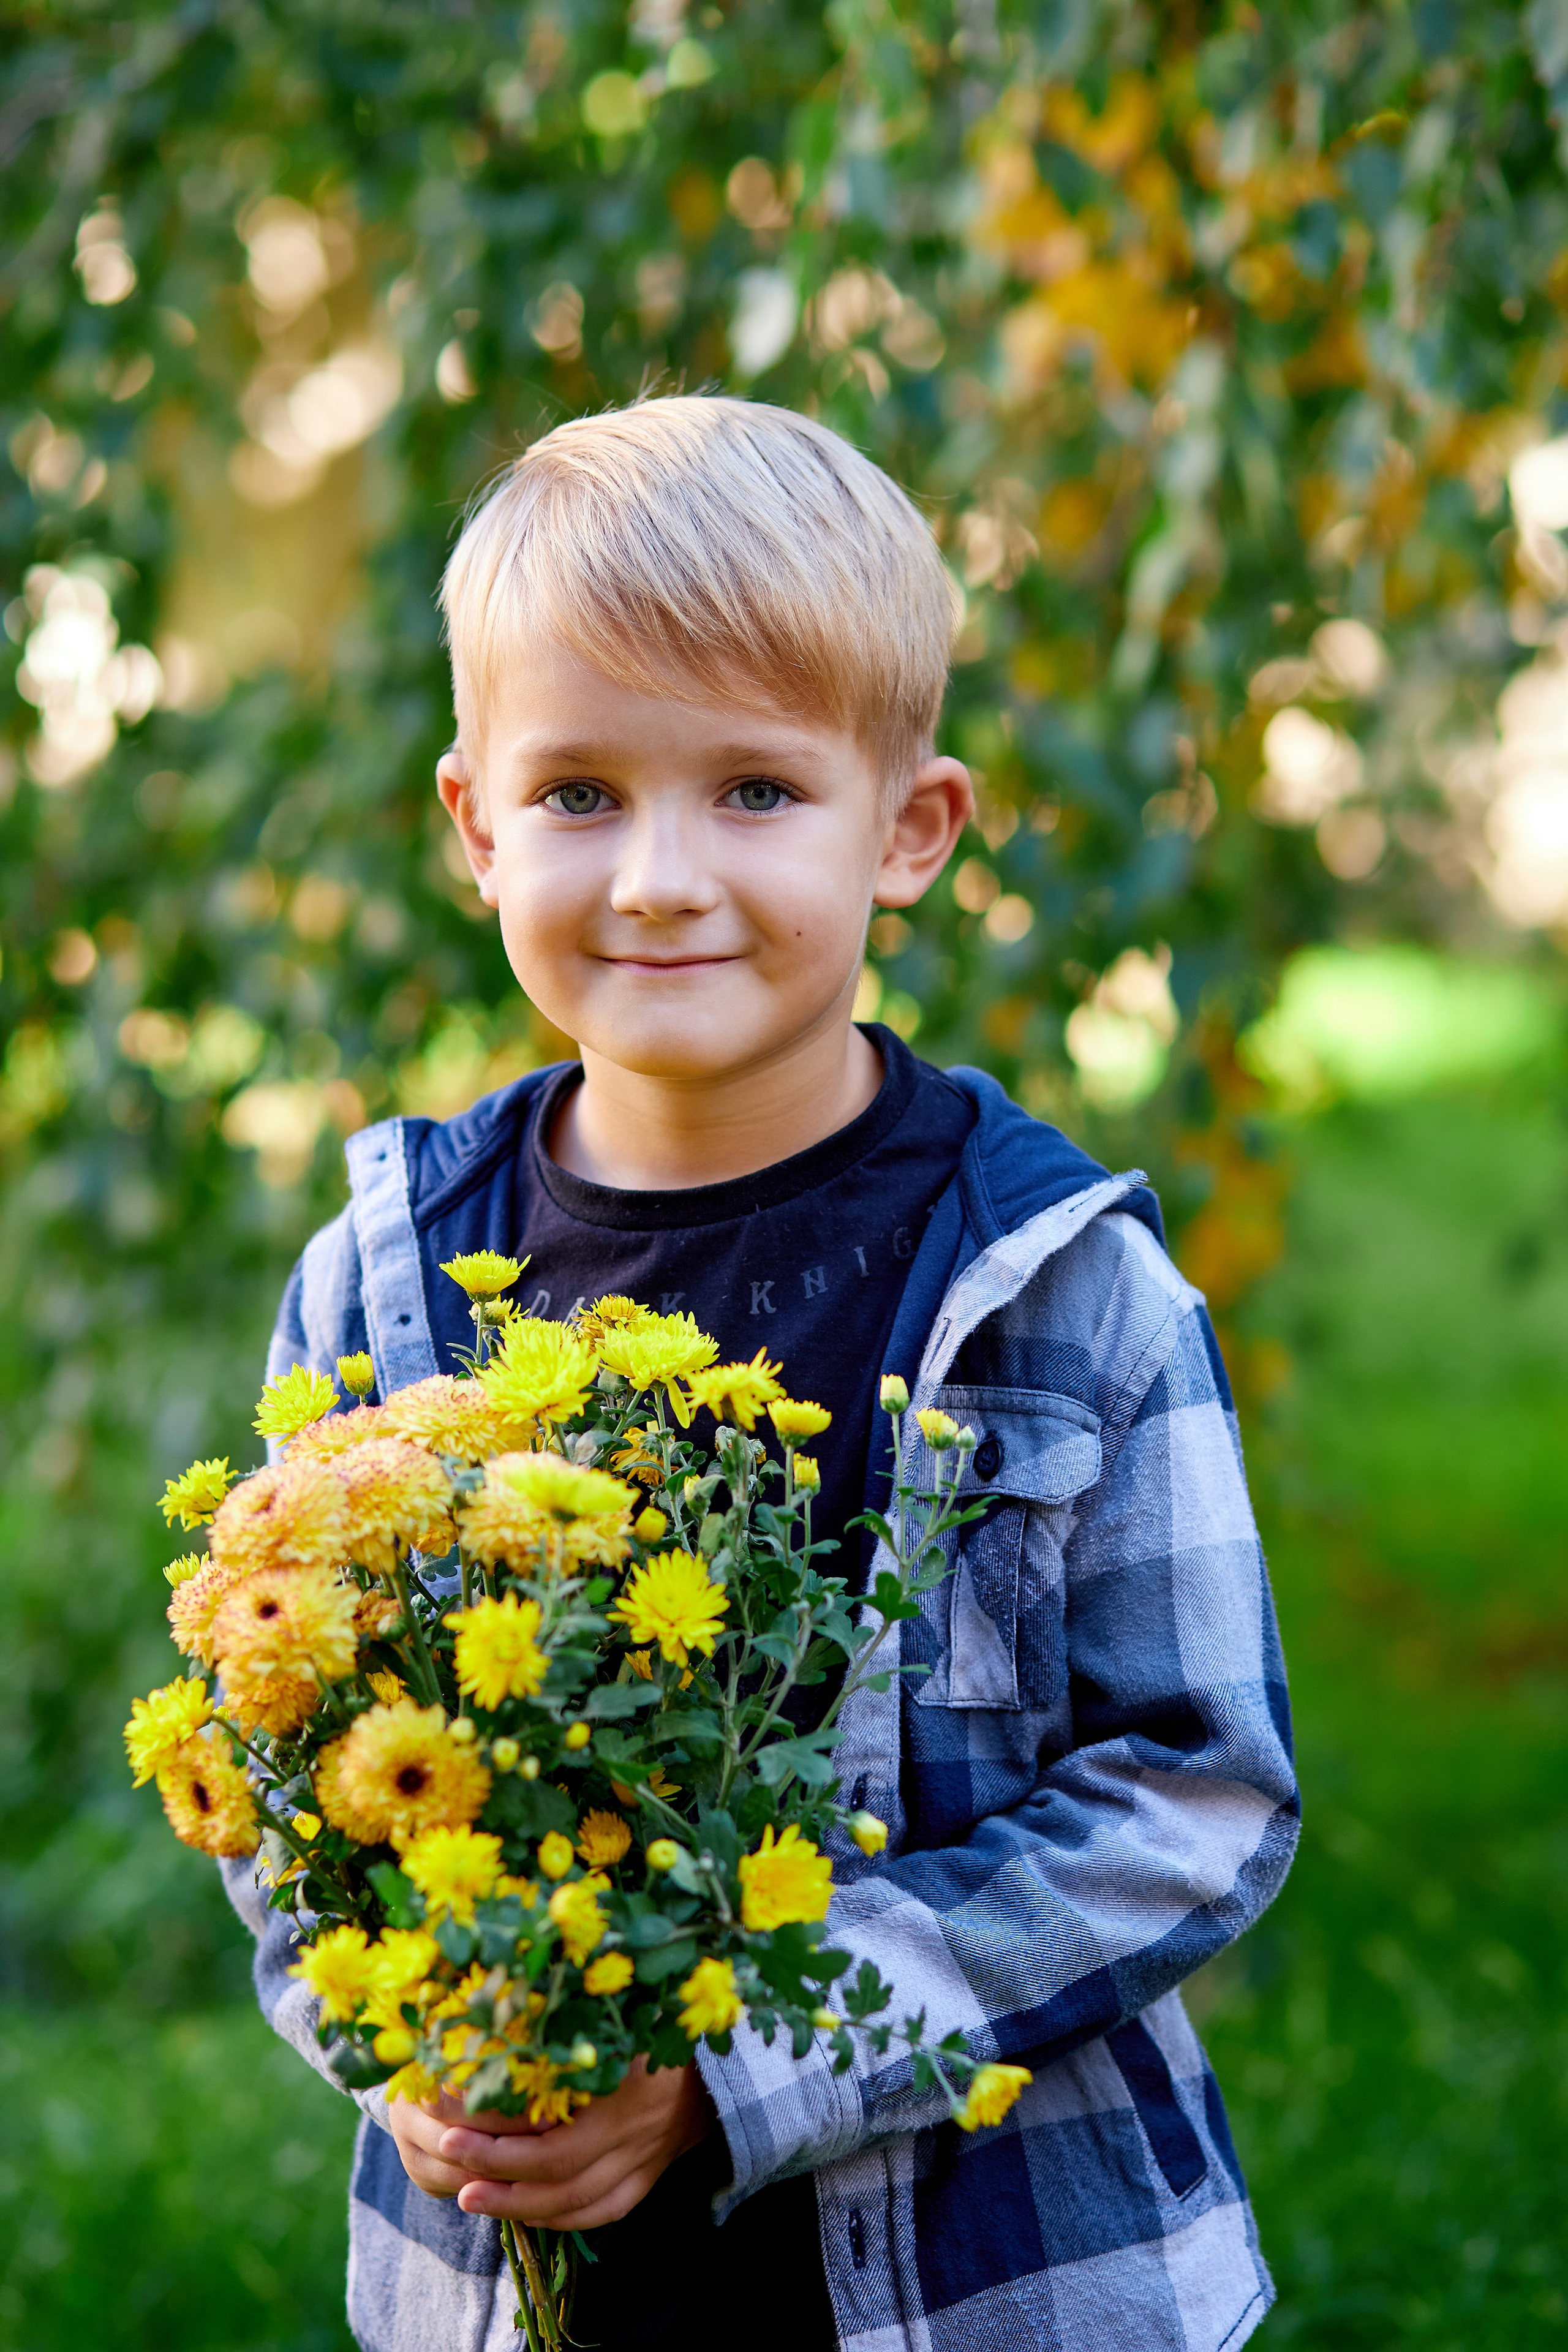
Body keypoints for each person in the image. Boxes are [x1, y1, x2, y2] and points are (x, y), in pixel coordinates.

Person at [225, 393, 1298, 2352]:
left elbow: (1195, 1799)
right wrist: (403, 2041)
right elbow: (282, 1766)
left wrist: (743, 2069)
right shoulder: (378, 1291)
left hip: (987, 2282)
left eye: (752, 790)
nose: (657, 876)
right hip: (513, 2278)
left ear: (908, 829)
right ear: (473, 827)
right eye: (578, 794)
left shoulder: (1063, 1291)